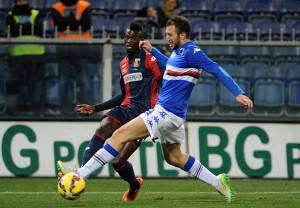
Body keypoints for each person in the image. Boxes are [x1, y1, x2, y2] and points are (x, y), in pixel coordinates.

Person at [58, 16, 253, 203]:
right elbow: (170, 67)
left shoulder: (193, 52)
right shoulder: (179, 53)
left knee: (117, 136)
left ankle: (78, 176)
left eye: (170, 34)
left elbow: (216, 69)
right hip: (175, 116)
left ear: (183, 36)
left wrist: (238, 92)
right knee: (174, 158)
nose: (167, 38)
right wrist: (154, 51)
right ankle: (218, 182)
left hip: (165, 113)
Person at [58, 22, 163, 201]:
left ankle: (135, 185)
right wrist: (96, 108)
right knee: (103, 128)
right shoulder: (123, 63)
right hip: (126, 108)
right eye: (127, 36)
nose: (129, 40)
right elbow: (124, 95)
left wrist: (160, 116)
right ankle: (80, 174)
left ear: (141, 41)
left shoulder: (150, 59)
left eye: (134, 37)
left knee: (118, 162)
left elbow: (164, 83)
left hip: (144, 116)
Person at [48, 0, 92, 115]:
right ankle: (65, 110)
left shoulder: (85, 5)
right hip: (63, 49)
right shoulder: (56, 7)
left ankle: (85, 110)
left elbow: (86, 24)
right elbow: (59, 26)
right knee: (64, 81)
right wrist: (76, 22)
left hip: (82, 49)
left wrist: (67, 22)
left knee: (83, 80)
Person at [5, 0, 45, 115]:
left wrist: (19, 27)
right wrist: (28, 27)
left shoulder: (36, 13)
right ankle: (11, 111)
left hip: (35, 53)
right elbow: (12, 31)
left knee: (35, 84)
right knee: (14, 83)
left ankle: (37, 112)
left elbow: (38, 30)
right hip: (16, 53)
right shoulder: (10, 15)